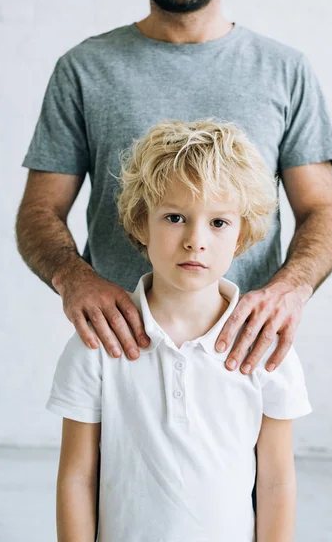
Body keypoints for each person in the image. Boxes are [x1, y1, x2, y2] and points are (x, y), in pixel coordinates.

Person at [16, 0, 332, 377]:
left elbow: (320, 210)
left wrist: (291, 289)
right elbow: (40, 209)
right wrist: (73, 280)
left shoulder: (286, 71)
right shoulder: (83, 69)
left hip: (242, 356)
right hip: (119, 352)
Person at [47, 118, 312, 542]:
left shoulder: (264, 346)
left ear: (243, 233)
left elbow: (277, 480)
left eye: (219, 223)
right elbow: (77, 478)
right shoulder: (97, 345)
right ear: (140, 223)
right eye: (174, 217)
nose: (195, 240)